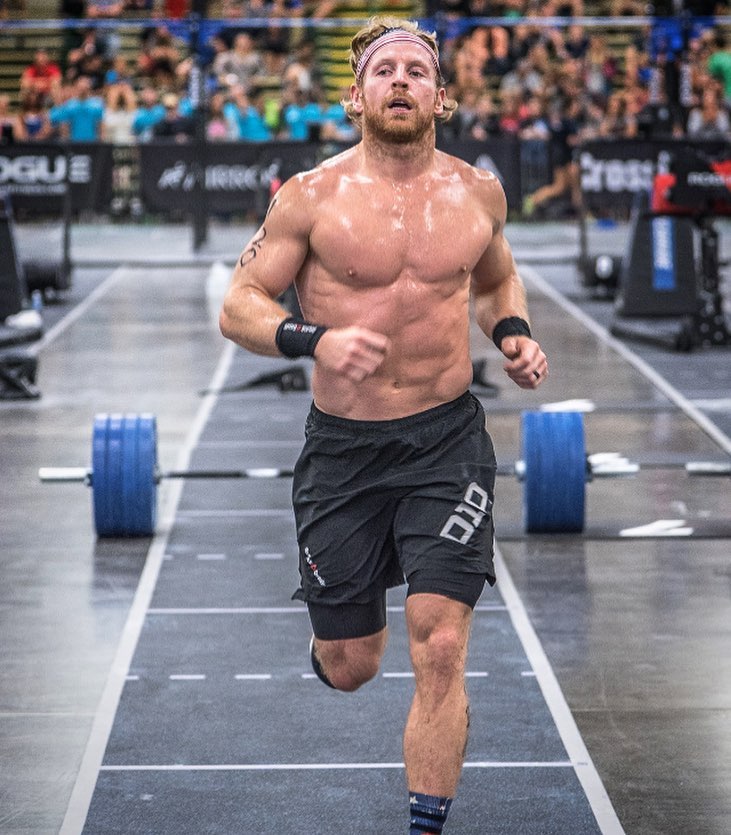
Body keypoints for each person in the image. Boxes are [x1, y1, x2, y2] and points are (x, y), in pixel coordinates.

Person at [219, 16, 547, 835]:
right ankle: (334, 647)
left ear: (442, 95)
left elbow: (495, 282)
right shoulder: (309, 197)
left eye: (414, 69)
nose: (399, 80)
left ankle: (424, 826)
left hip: (446, 443)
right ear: (354, 96)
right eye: (383, 70)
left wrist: (512, 334)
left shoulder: (477, 192)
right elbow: (238, 308)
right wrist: (313, 338)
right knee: (354, 664)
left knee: (438, 645)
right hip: (344, 451)